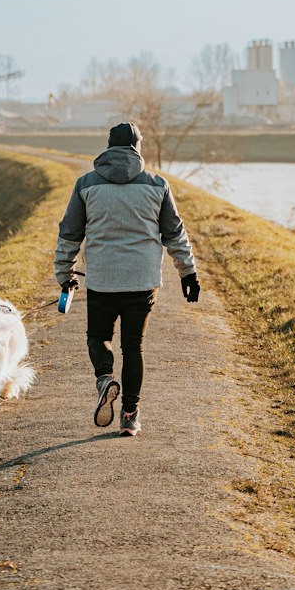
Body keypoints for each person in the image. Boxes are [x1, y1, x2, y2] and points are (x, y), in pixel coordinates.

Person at [54, 120, 200, 438]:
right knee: (133, 347)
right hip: (143, 281)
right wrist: (188, 273)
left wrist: (64, 274)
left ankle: (105, 378)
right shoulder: (157, 184)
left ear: (108, 147)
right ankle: (129, 416)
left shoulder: (86, 184)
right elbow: (175, 234)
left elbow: (70, 233)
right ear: (137, 148)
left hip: (103, 281)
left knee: (98, 338)